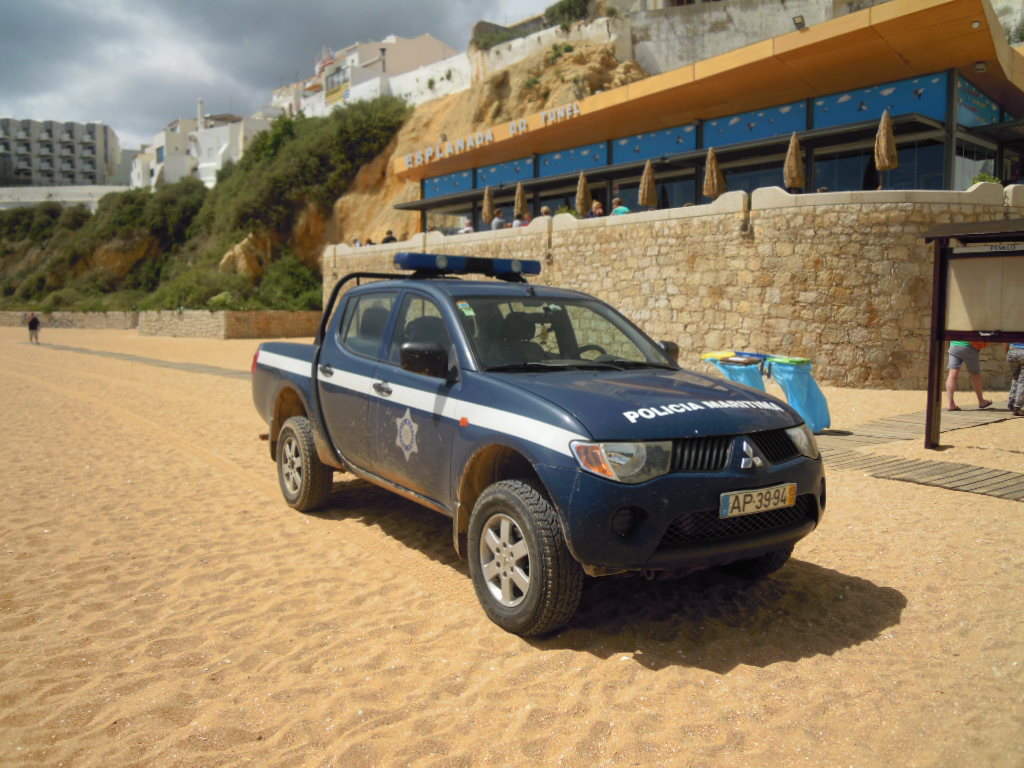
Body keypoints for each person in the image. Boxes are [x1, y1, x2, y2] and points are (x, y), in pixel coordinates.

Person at [945, 340, 992, 411]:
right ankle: (981, 401)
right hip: (970, 345)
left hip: (954, 345)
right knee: (975, 374)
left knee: (952, 375)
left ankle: (950, 404)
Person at [1006, 341, 1024, 416]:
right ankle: (1017, 406)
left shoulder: (1015, 328)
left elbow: (1005, 342)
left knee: (1015, 377)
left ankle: (1011, 403)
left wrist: (1007, 352)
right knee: (1022, 380)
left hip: (1012, 350)